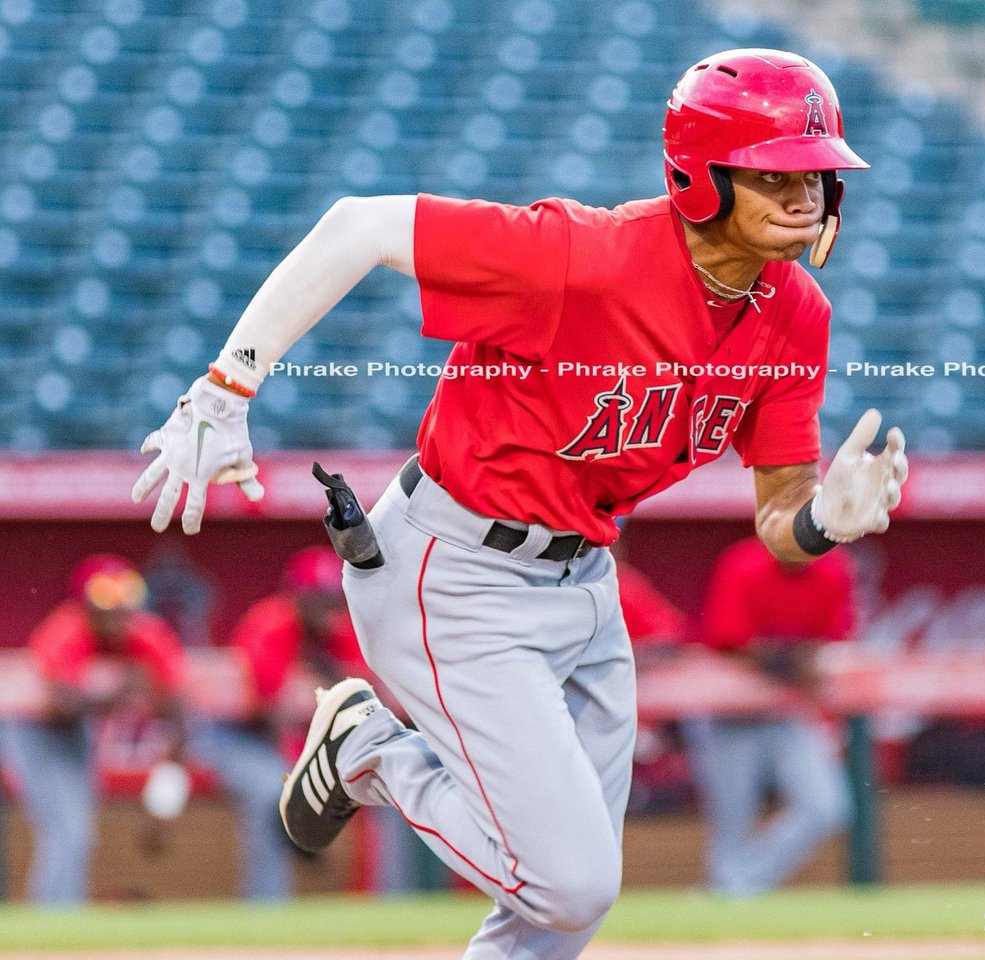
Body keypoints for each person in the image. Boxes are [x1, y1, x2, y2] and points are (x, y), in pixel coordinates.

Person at [131, 49, 907, 959]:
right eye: (776, 173)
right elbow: (357, 226)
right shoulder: (584, 254)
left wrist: (822, 522)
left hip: (585, 581)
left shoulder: (795, 314)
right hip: (454, 568)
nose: (806, 194)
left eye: (817, 173)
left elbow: (780, 516)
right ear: (703, 177)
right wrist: (226, 388)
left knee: (553, 919)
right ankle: (365, 749)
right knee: (570, 884)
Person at [192, 545, 423, 899]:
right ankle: (268, 911)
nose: (327, 608)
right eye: (317, 598)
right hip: (239, 738)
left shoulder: (343, 630)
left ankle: (391, 904)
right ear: (297, 595)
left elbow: (373, 699)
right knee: (275, 792)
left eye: (332, 598)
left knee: (390, 784)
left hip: (311, 743)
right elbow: (277, 715)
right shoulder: (270, 624)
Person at [0, 554, 187, 905]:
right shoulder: (66, 628)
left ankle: (63, 917)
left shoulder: (147, 635)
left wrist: (165, 802)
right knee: (65, 831)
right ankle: (52, 925)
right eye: (105, 595)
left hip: (75, 733)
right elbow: (64, 708)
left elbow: (178, 716)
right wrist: (113, 693)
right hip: (32, 729)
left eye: (126, 593)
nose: (117, 608)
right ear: (85, 601)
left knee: (78, 832)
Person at [683, 538, 856, 894]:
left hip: (784, 709)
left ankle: (735, 889)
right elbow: (730, 644)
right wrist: (795, 662)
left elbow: (832, 643)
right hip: (727, 710)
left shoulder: (833, 569)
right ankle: (730, 900)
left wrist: (793, 662)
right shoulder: (744, 563)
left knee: (826, 807)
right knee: (732, 823)